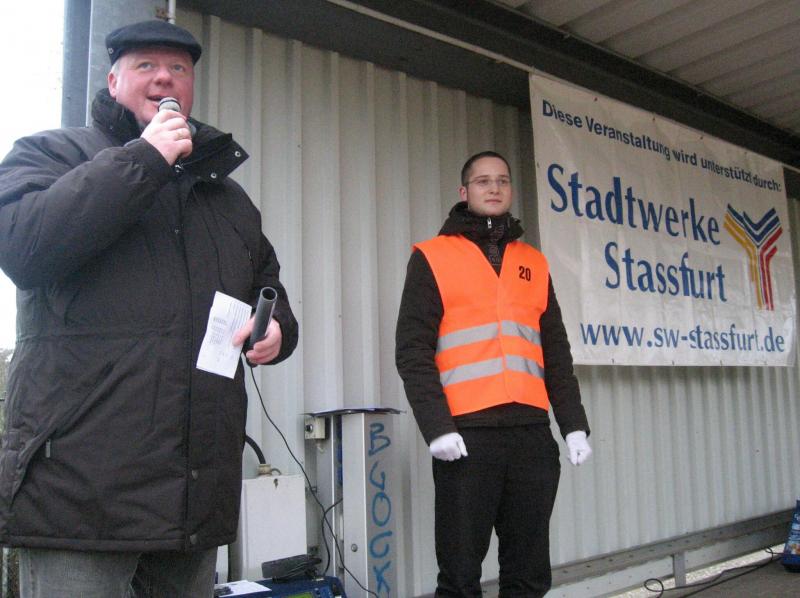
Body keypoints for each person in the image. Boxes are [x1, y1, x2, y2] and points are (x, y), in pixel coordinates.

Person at [0, 19, 298, 597]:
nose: (164, 77)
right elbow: (24, 248)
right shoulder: (52, 153)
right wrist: (145, 159)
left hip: (191, 499)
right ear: (113, 82)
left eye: (178, 69)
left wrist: (277, 329)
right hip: (81, 498)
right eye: (146, 66)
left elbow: (266, 284)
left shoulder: (226, 196)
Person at [395, 151, 592, 597]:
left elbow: (555, 352)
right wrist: (437, 427)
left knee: (528, 573)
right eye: (483, 181)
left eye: (502, 180)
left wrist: (573, 425)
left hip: (531, 436)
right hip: (467, 437)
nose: (494, 188)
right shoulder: (432, 257)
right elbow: (412, 351)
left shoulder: (534, 262)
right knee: (460, 576)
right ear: (464, 192)